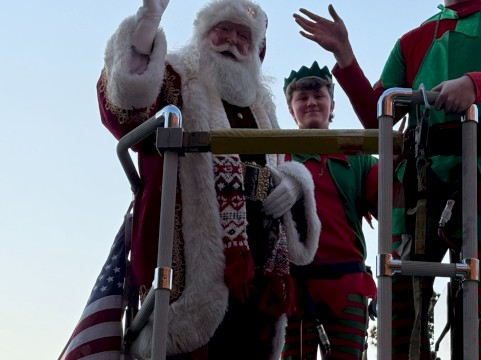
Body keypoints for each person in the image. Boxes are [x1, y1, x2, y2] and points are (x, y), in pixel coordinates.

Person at [293, 1, 481, 359]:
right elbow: (376, 113)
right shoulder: (414, 39)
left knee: (476, 298)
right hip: (419, 182)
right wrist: (345, 54)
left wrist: (474, 85)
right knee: (397, 301)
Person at [97, 0, 322, 359]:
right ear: (203, 35)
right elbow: (128, 109)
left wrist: (295, 183)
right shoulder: (176, 78)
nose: (232, 40)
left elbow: (285, 165)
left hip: (257, 280)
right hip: (188, 280)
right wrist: (147, 22)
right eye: (223, 30)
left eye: (243, 35)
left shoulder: (264, 107)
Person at [280, 61, 378, 360]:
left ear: (331, 103)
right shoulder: (274, 154)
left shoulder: (359, 155)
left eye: (318, 95)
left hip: (346, 283)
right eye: (302, 97)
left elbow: (390, 205)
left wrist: (398, 157)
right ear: (291, 108)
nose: (311, 102)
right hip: (290, 286)